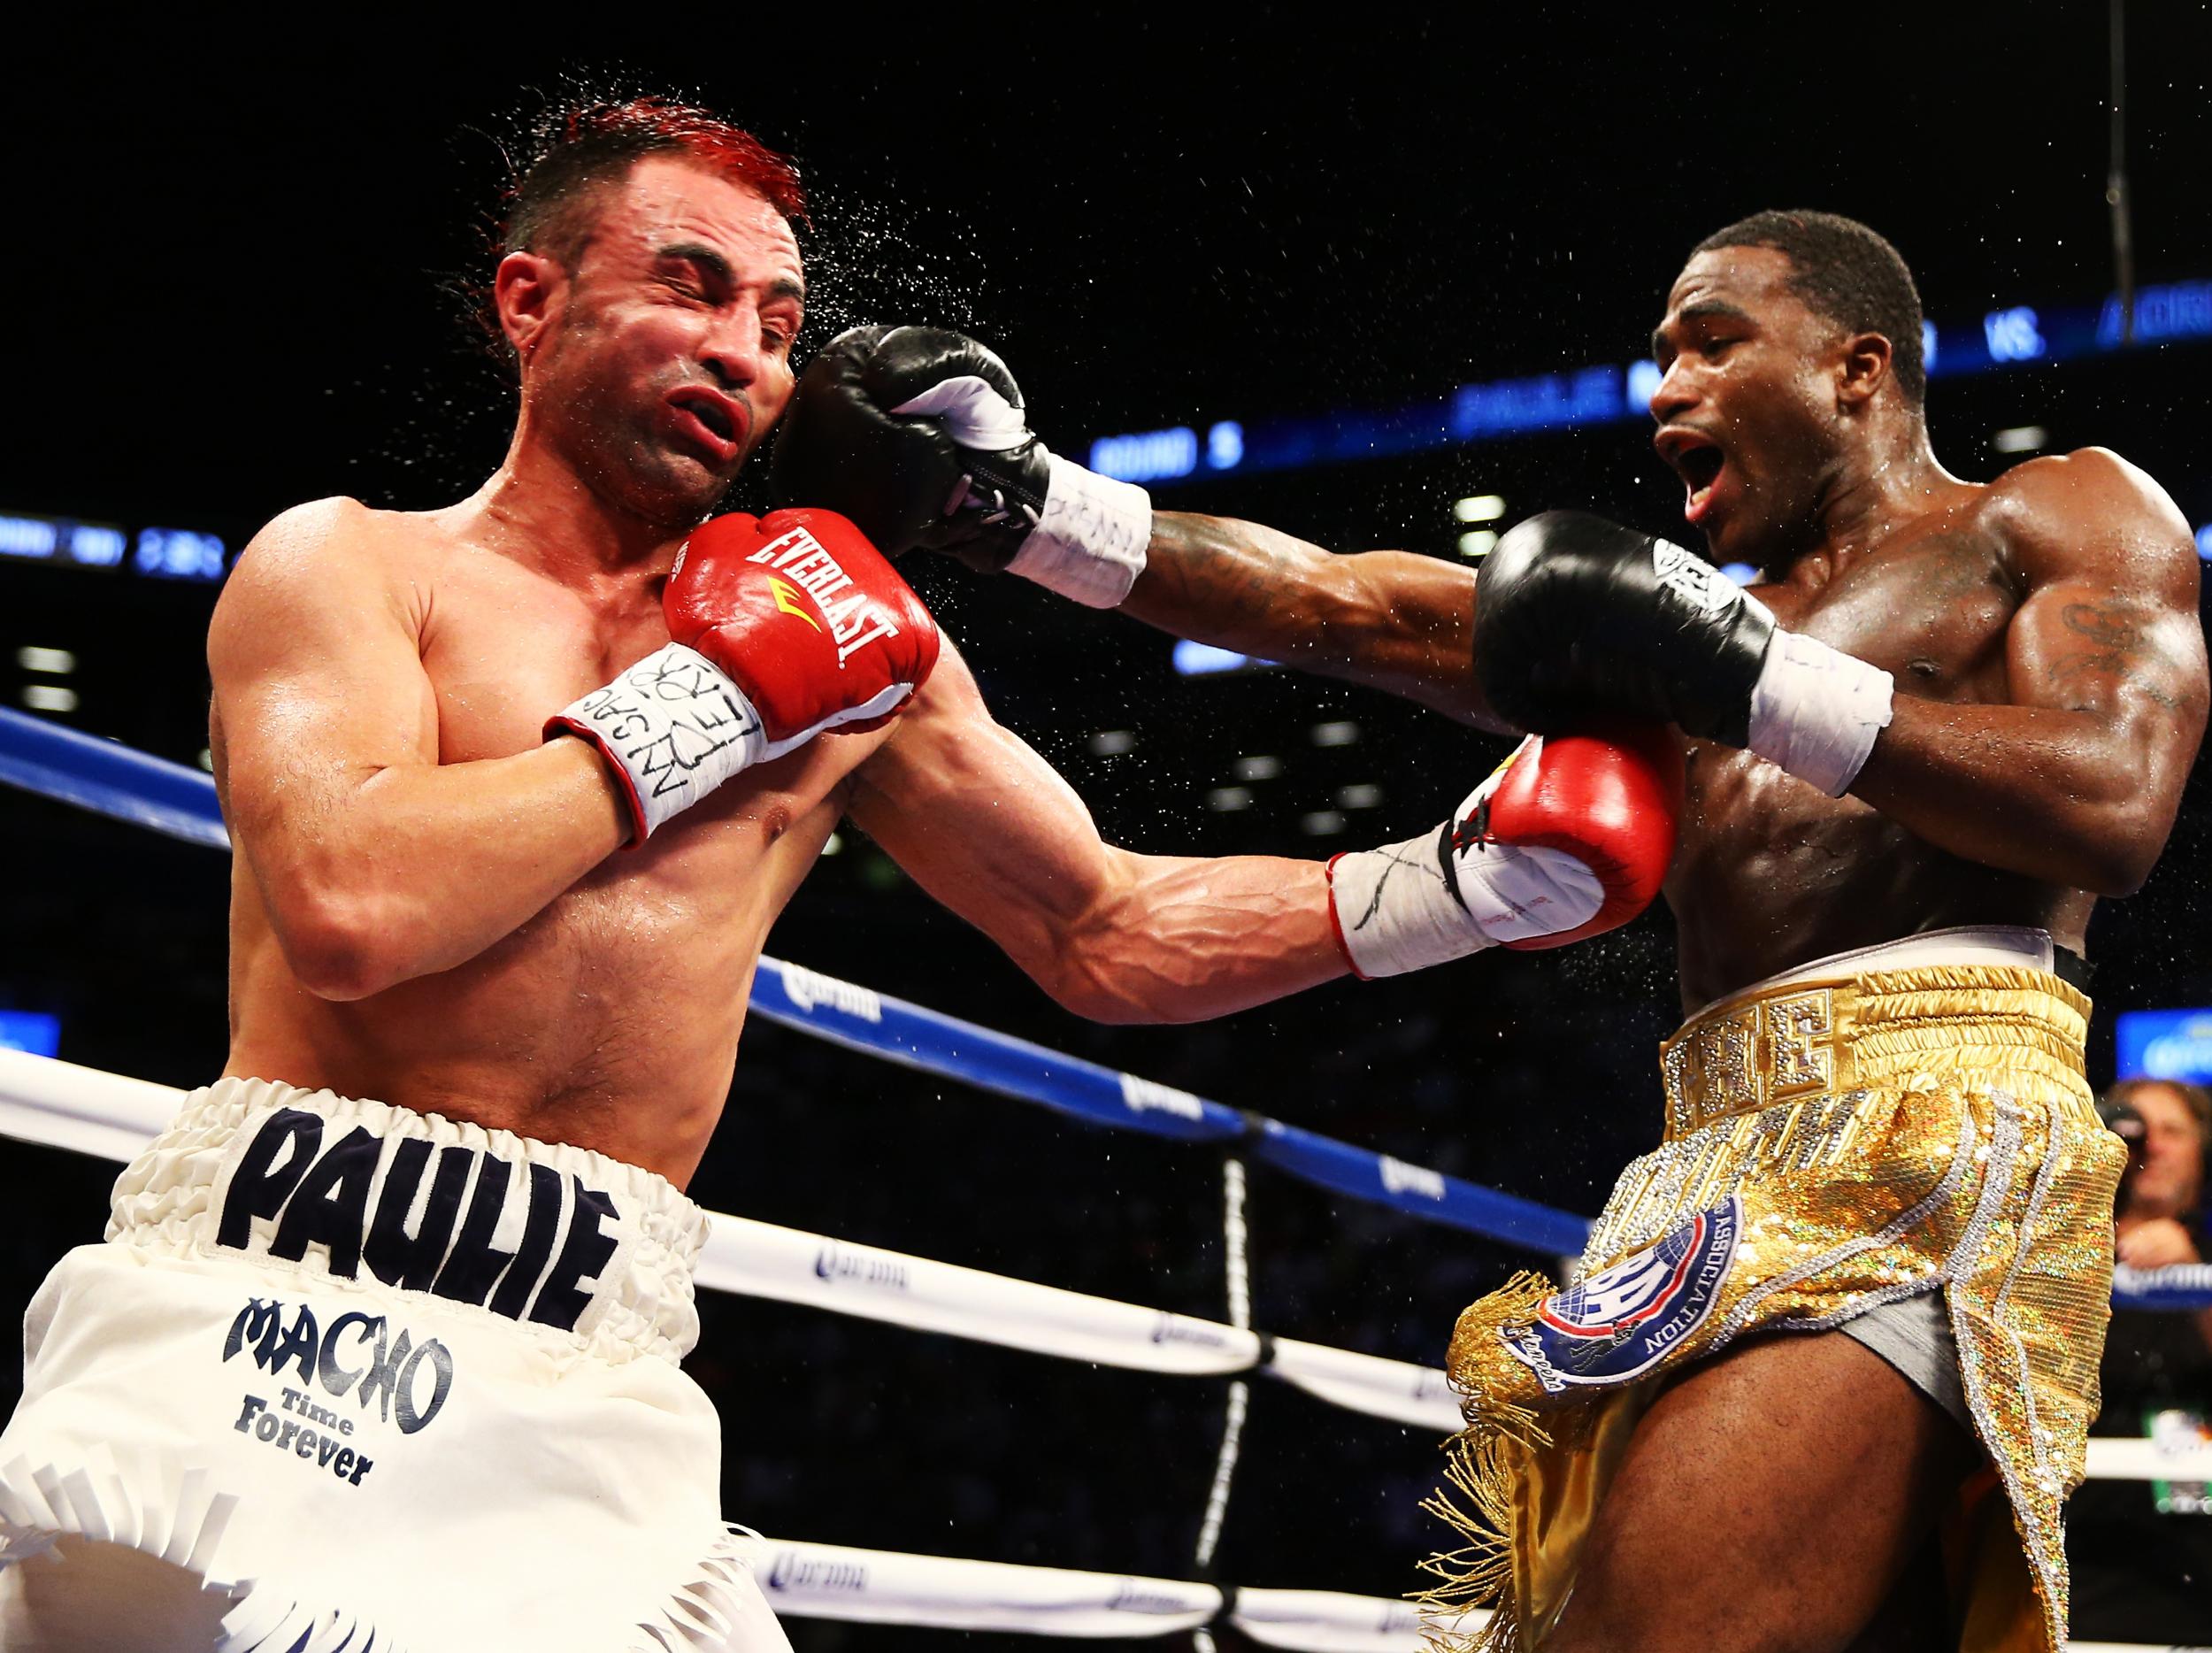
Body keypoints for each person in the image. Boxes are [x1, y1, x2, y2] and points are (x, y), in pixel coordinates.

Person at [0, 99, 1685, 1653]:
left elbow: (1103, 928)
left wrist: (1455, 887)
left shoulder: (857, 649)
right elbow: (355, 910)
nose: (742, 349)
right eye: (690, 286)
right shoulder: (354, 567)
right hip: (268, 1303)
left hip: (586, 1377)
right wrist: (713, 700)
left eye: (780, 323)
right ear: (528, 301)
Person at [771, 209, 2210, 1651]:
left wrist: (1751, 677)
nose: (1666, 389)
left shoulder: (2047, 514)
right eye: (1658, 356)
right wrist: (1020, 505)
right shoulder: (1674, 628)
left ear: (1857, 367)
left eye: (1713, 341)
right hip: (1709, 1158)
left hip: (1933, 1138)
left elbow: (2115, 801)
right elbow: (1347, 607)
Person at [2068, 1078, 2212, 1642]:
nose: (2148, 1143)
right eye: (2132, 1125)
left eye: (2171, 1131)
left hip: (2199, 1569)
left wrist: (2192, 1274)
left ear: (2203, 1153)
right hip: (2081, 1560)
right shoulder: (2052, 1257)